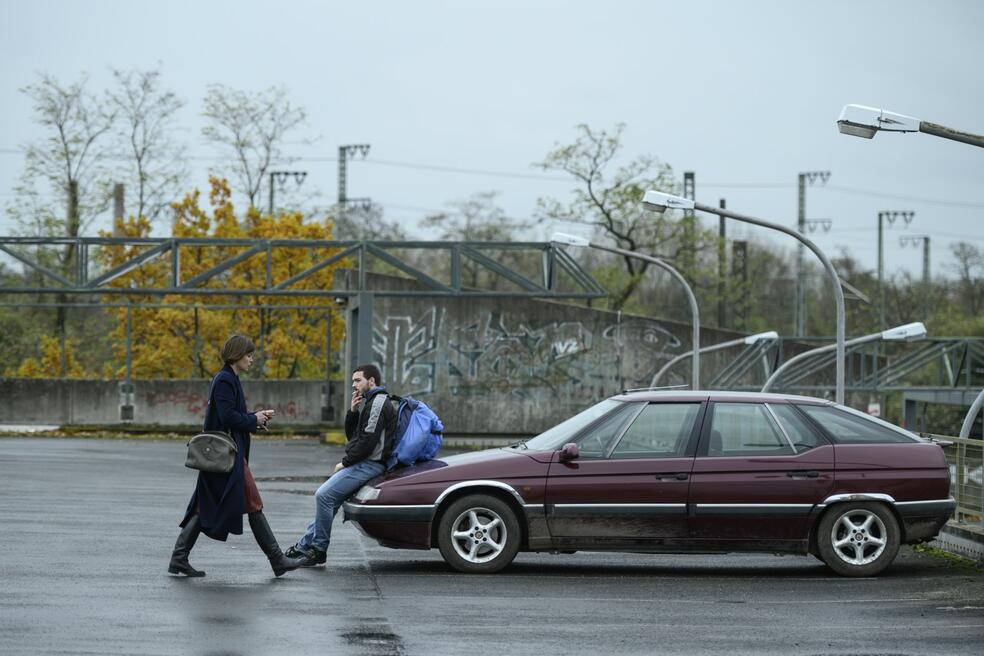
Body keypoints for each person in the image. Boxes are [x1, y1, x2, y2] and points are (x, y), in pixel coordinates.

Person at [168, 334, 306, 577]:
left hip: (223, 455)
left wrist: (255, 419)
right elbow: (227, 416)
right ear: (237, 355)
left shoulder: (229, 378)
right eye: (249, 355)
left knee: (205, 504)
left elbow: (231, 415)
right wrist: (253, 419)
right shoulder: (225, 379)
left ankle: (179, 557)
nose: (251, 360)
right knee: (253, 504)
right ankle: (277, 560)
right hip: (226, 455)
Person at [286, 364, 397, 566]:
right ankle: (304, 546)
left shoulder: (379, 403)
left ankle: (318, 549)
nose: (354, 385)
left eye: (358, 380)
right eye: (353, 381)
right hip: (364, 462)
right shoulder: (370, 402)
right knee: (329, 500)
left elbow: (368, 442)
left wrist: (345, 463)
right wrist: (353, 412)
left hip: (371, 464)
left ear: (372, 381)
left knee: (323, 495)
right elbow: (354, 438)